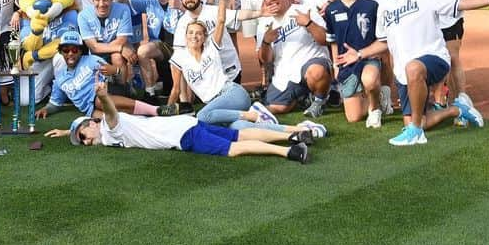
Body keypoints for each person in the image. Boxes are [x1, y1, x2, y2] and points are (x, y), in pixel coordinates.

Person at [335, 0, 489, 146]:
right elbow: (383, 41)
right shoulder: (384, 6)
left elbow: (459, 3)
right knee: (418, 119)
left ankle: (415, 133)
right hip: (404, 72)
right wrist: (360, 53)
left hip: (434, 57)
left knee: (414, 68)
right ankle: (456, 110)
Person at [50, 81, 315, 164]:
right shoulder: (104, 131)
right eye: (82, 141)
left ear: (91, 124)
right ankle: (295, 134)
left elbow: (107, 114)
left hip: (182, 138)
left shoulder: (110, 133)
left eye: (82, 134)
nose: (85, 141)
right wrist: (66, 131)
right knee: (239, 138)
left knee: (235, 148)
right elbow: (97, 119)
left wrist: (105, 96)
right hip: (184, 124)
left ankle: (290, 151)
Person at [36, 30, 162, 120]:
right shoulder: (60, 79)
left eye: (74, 50)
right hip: (91, 110)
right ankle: (150, 119)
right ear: (60, 52)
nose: (70, 54)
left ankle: (155, 110)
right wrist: (46, 109)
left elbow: (119, 80)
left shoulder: (92, 61)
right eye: (66, 50)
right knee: (111, 120)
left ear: (80, 51)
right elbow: (54, 104)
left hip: (110, 92)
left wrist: (115, 71)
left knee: (99, 100)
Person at [323, 0, 389, 127]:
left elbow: (381, 37)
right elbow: (332, 40)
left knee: (369, 80)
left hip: (367, 58)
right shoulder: (332, 9)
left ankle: (375, 109)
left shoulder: (371, 6)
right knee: (354, 117)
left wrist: (371, 54)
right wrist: (336, 65)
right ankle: (372, 95)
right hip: (346, 62)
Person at [256, 0, 333, 118]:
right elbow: (265, 60)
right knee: (276, 107)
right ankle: (303, 97)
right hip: (284, 73)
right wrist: (266, 42)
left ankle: (320, 100)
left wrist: (309, 24)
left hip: (311, 62)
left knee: (316, 73)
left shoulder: (304, 9)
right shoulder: (264, 23)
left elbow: (325, 40)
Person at [77, 0, 136, 84]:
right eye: (97, 0)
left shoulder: (123, 9)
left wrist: (119, 47)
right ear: (92, 0)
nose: (101, 4)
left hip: (116, 51)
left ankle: (123, 89)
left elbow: (122, 40)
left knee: (116, 56)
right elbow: (93, 47)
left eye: (105, 0)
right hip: (97, 54)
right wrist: (120, 48)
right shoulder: (83, 16)